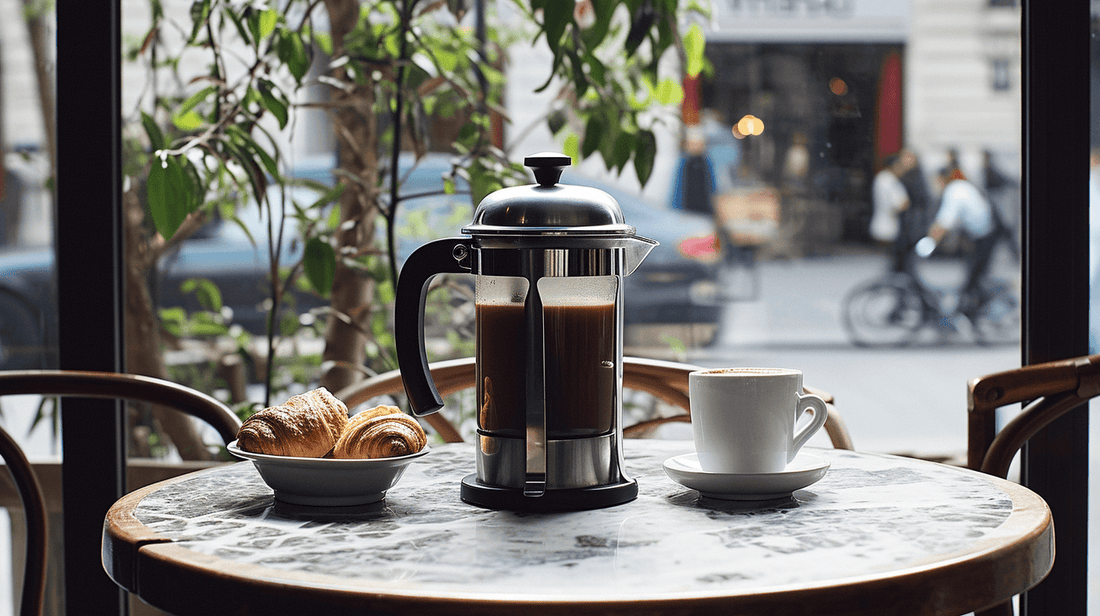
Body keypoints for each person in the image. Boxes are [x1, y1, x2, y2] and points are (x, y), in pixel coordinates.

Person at [925, 171, 1001, 319]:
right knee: (971, 274)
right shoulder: (958, 187)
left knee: (975, 275)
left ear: (942, 180)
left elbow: (943, 223)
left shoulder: (954, 192)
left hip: (985, 235)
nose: (935, 186)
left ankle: (978, 310)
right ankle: (972, 307)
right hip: (982, 232)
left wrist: (927, 242)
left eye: (936, 182)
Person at [869, 153, 915, 274]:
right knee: (894, 259)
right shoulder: (889, 181)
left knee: (890, 259)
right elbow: (901, 204)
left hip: (883, 223)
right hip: (890, 226)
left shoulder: (881, 178)